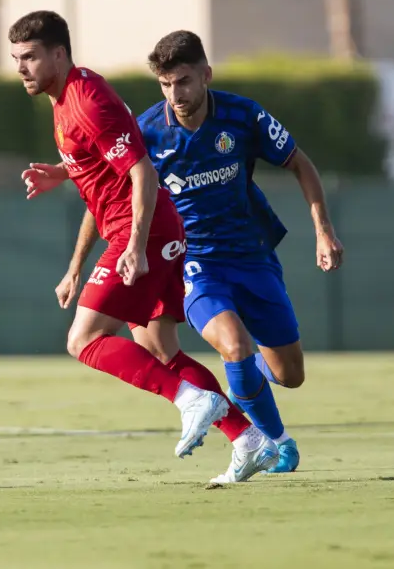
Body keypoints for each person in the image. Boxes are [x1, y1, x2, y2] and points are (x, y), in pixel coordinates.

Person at [12, 10, 277, 481]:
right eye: (17, 58)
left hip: (146, 232)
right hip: (146, 231)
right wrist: (61, 182)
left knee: (84, 340)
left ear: (59, 53)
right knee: (159, 352)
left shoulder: (86, 99)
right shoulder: (67, 100)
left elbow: (142, 172)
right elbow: (100, 169)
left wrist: (134, 244)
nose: (21, 68)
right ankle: (248, 439)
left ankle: (192, 400)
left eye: (30, 57)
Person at [134, 29, 344, 477]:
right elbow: (116, 185)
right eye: (166, 84)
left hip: (253, 256)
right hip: (196, 264)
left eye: (185, 81)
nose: (176, 94)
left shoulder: (242, 115)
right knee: (234, 345)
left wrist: (322, 231)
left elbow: (299, 163)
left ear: (206, 74)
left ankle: (253, 387)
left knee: (289, 375)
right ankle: (274, 442)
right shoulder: (148, 131)